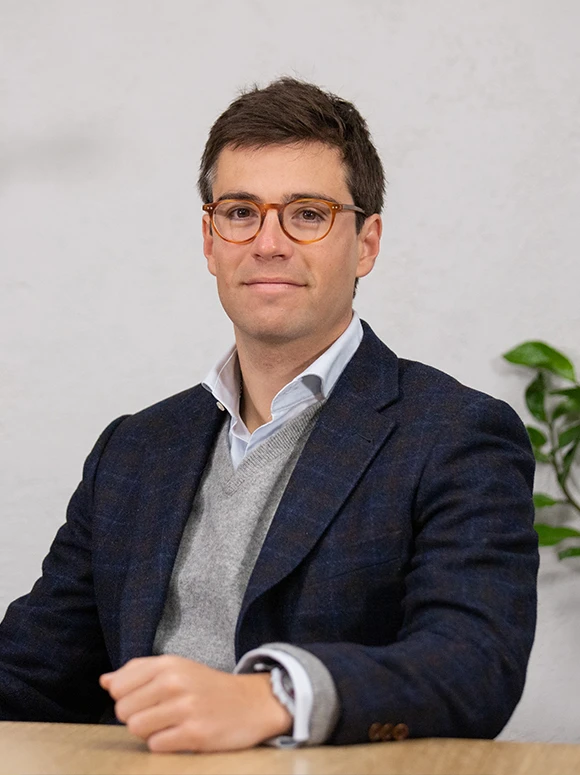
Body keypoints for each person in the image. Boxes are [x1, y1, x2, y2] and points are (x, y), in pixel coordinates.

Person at [0, 77, 538, 752]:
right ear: (210, 239)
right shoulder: (134, 449)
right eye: (241, 212)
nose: (268, 243)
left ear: (367, 243)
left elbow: (474, 664)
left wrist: (271, 697)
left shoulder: (456, 435)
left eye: (307, 214)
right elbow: (32, 671)